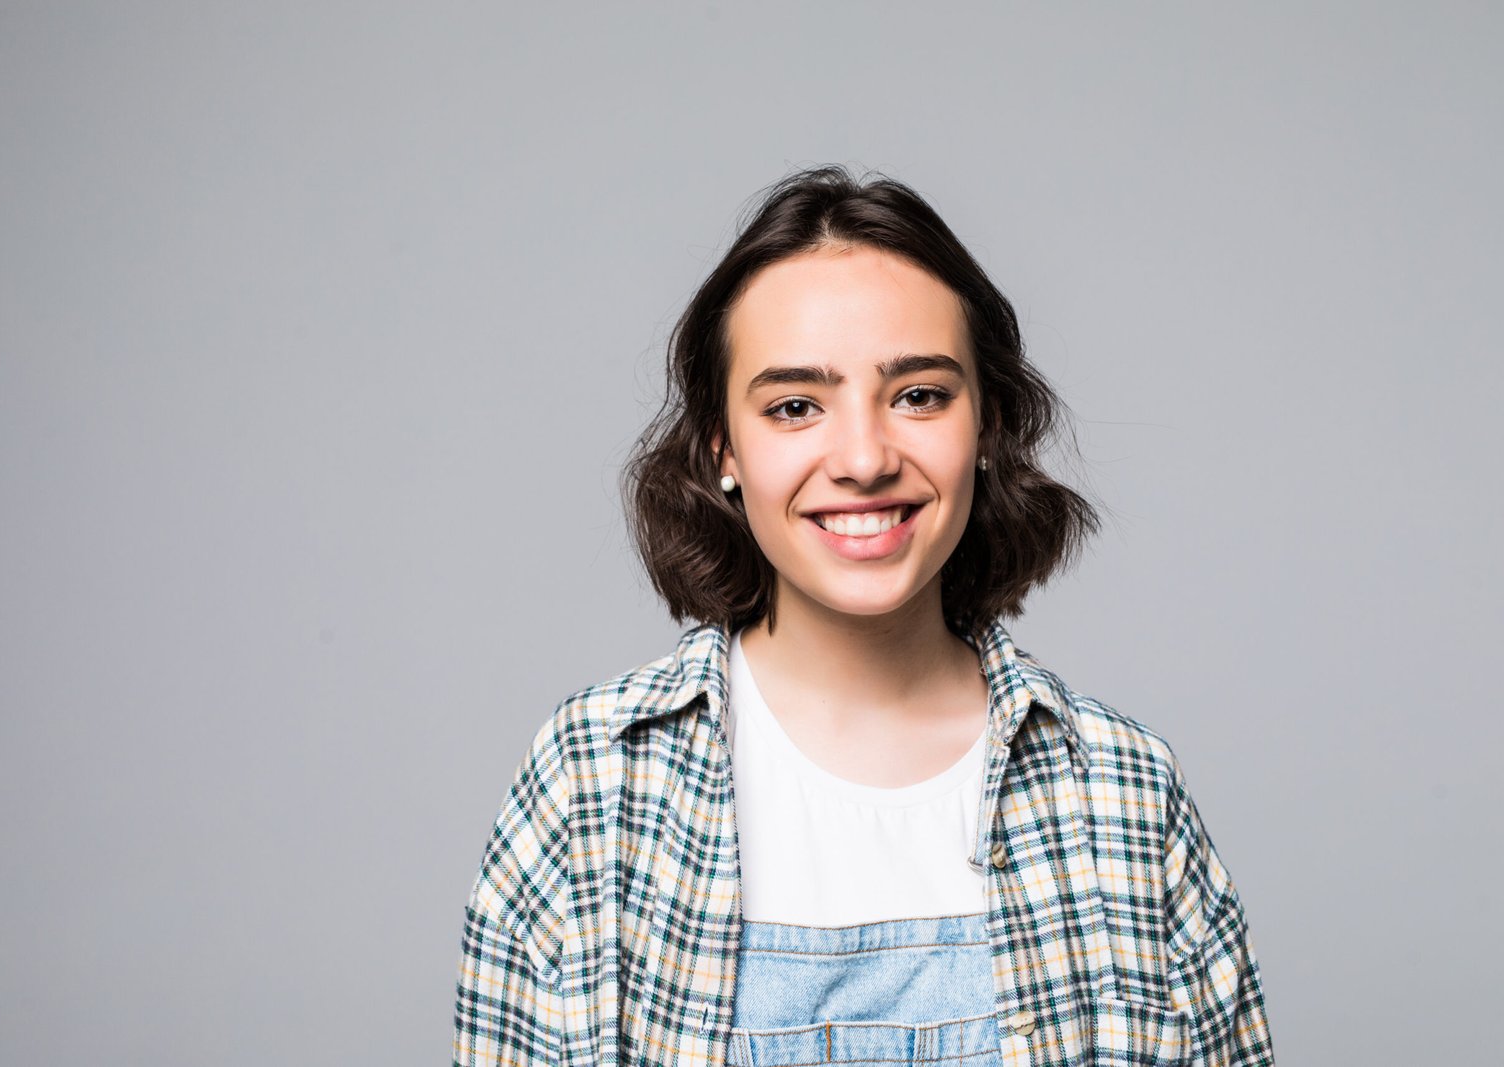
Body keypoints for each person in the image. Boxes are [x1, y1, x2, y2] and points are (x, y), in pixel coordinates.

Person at [452, 165, 1273, 1067]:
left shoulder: (1122, 792)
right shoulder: (595, 780)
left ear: (986, 426)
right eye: (796, 406)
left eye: (918, 394)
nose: (863, 457)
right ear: (724, 447)